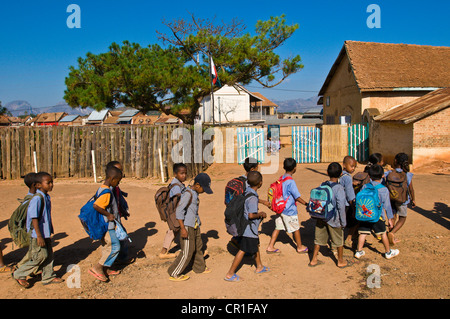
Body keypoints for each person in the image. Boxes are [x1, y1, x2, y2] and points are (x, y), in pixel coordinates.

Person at [12, 172, 63, 288]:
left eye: (52, 182)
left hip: (45, 233)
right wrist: (39, 236)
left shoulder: (46, 196)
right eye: (48, 183)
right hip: (38, 234)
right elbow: (34, 218)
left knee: (49, 255)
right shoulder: (37, 199)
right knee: (40, 256)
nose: (51, 185)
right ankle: (19, 273)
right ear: (38, 185)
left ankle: (48, 276)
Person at [167, 173, 213, 281]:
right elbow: (179, 211)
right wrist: (182, 229)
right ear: (197, 185)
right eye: (203, 189)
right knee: (187, 251)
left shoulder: (195, 193)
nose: (204, 191)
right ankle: (174, 272)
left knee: (198, 247)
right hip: (187, 226)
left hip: (195, 224)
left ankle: (199, 267)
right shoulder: (188, 194)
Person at [225, 171, 269, 282]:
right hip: (249, 229)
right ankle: (230, 274)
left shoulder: (246, 192)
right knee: (243, 250)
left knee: (255, 245)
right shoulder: (253, 198)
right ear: (260, 183)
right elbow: (251, 215)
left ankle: (259, 266)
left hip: (247, 228)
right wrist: (261, 214)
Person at [309, 162, 350, 268]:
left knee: (318, 239)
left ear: (327, 172)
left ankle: (314, 259)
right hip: (334, 218)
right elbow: (341, 206)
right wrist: (343, 222)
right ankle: (340, 261)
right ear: (341, 174)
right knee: (338, 240)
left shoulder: (323, 185)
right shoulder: (339, 188)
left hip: (321, 216)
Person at [355, 165, 400, 259]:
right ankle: (388, 252)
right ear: (383, 175)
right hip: (378, 216)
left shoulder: (365, 186)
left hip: (365, 215)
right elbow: (387, 206)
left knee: (363, 233)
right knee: (383, 233)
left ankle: (359, 251)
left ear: (370, 176)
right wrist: (390, 219)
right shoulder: (384, 189)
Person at [266, 158, 309, 254]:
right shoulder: (291, 181)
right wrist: (306, 203)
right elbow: (297, 197)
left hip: (281, 208)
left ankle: (270, 246)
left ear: (284, 167)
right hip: (289, 209)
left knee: (278, 227)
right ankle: (299, 246)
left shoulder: (282, 178)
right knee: (296, 228)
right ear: (294, 168)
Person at [88, 166, 123, 282]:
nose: (118, 184)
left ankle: (106, 268)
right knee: (115, 246)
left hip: (104, 224)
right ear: (112, 179)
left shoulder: (102, 188)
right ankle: (98, 267)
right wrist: (108, 215)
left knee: (106, 246)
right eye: (118, 181)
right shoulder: (107, 192)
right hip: (108, 225)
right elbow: (96, 206)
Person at [227, 157, 270, 249]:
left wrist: (262, 202)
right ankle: (244, 248)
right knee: (248, 230)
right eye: (257, 167)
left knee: (243, 228)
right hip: (245, 210)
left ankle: (239, 242)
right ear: (252, 169)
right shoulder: (250, 183)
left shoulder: (241, 180)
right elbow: (250, 198)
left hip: (239, 208)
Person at [384, 153, 415, 245]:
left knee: (392, 216)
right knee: (402, 218)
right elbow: (411, 189)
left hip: (390, 198)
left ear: (395, 161)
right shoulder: (407, 174)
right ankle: (392, 233)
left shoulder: (389, 173)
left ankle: (390, 234)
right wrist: (413, 199)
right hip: (402, 199)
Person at [106, 161, 132, 264]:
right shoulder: (108, 189)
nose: (121, 172)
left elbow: (119, 199)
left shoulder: (116, 186)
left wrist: (124, 210)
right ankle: (116, 260)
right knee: (118, 239)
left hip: (116, 217)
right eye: (119, 170)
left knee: (121, 238)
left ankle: (120, 258)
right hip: (112, 220)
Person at [160, 163, 188, 259]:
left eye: (185, 173)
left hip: (175, 212)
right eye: (182, 173)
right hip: (176, 212)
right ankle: (163, 252)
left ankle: (185, 248)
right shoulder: (176, 186)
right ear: (176, 174)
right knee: (175, 230)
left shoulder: (177, 183)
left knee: (176, 230)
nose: (184, 175)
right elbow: (178, 200)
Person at [340, 156, 357, 248]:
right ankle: (348, 239)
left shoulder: (340, 174)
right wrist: (353, 205)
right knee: (352, 220)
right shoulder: (348, 178)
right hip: (346, 204)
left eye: (354, 166)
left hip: (338, 202)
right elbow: (350, 194)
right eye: (351, 166)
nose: (353, 168)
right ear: (344, 165)